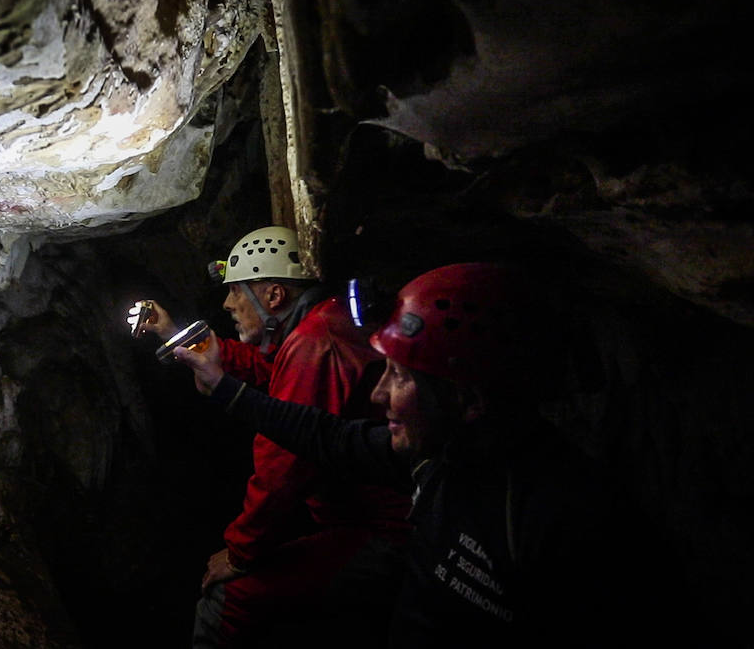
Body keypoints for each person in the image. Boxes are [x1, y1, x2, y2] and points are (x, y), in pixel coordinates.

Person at [172, 261, 675, 646]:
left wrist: (242, 551)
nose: (377, 394)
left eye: (401, 377)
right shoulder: (442, 455)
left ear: (469, 400)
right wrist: (220, 386)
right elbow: (324, 435)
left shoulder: (564, 522)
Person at [130, 226, 412, 648]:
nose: (227, 303)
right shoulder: (322, 321)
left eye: (237, 292)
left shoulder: (317, 343)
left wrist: (241, 552)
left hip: (385, 532)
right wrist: (173, 333)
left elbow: (283, 466)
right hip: (364, 513)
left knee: (225, 600)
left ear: (274, 297)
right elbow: (269, 368)